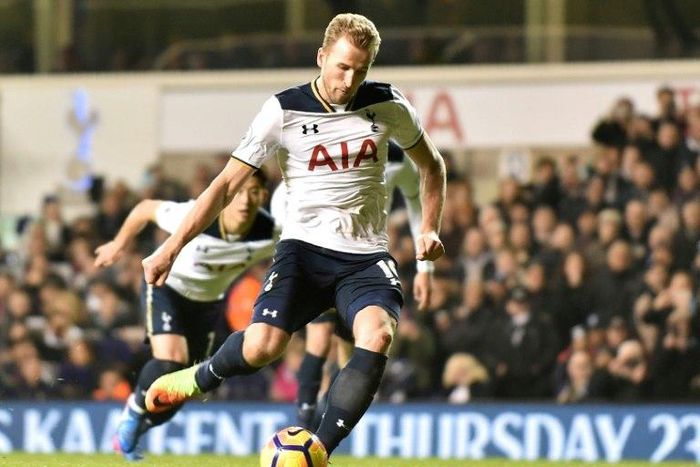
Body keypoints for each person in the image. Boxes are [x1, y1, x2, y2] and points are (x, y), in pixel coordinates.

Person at [141, 13, 446, 460]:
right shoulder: (283, 110)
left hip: (365, 257)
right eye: (342, 67)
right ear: (322, 57)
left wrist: (429, 229)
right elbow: (225, 186)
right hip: (304, 251)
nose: (349, 79)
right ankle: (198, 377)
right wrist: (170, 247)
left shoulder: (389, 106)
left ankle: (317, 450)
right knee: (263, 345)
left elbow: (432, 166)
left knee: (377, 335)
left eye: (360, 70)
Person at [93, 170, 276, 460]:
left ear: (263, 196)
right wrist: (119, 244)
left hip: (207, 305)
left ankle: (139, 424)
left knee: (183, 387)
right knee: (171, 360)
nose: (244, 200)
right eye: (238, 192)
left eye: (253, 192)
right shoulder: (196, 215)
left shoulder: (270, 232)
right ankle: (133, 409)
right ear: (227, 194)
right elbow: (144, 209)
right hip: (167, 287)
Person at [269, 141, 434, 429]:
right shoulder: (328, 150)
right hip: (319, 260)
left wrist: (424, 266)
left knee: (351, 350)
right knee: (319, 338)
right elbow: (282, 197)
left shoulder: (394, 158)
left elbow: (415, 199)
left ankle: (324, 419)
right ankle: (305, 424)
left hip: (362, 268)